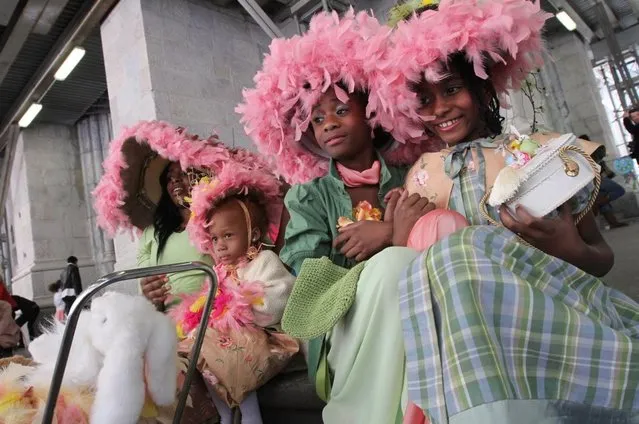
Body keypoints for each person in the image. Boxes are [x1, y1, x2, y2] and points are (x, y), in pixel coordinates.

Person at [278, 2, 636, 423]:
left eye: (451, 89)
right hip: (461, 342)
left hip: (537, 314)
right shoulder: (421, 177)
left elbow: (601, 257)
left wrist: (566, 244)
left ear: (485, 87)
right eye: (424, 99)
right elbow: (412, 267)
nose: (440, 108)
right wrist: (394, 234)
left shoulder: (538, 157)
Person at [236, 9, 431, 275]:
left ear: (371, 113)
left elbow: (435, 238)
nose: (328, 124)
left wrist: (389, 233)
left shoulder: (413, 176)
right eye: (317, 119)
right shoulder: (308, 197)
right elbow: (310, 279)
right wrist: (392, 244)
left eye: (341, 111)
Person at [172, 165, 297, 424]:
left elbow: (282, 297)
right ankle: (224, 414)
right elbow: (211, 307)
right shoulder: (219, 272)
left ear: (253, 235)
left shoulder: (264, 260)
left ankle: (250, 418)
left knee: (228, 360)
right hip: (228, 345)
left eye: (228, 235)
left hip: (265, 341)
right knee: (204, 359)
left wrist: (245, 303)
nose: (220, 245)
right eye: (215, 238)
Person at [579, 134, 628, 228]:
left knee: (602, 198)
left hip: (594, 179)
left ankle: (613, 222)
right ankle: (597, 203)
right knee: (619, 190)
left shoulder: (591, 152)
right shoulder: (585, 153)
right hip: (593, 179)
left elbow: (601, 164)